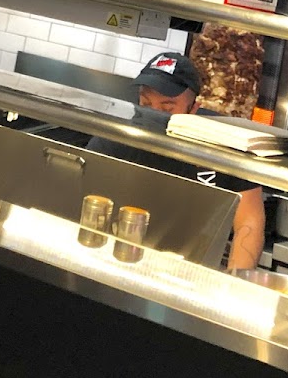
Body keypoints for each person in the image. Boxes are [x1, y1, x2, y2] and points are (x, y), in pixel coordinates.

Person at [87, 51, 266, 271]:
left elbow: (249, 221)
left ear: (193, 109)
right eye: (146, 104)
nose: (154, 114)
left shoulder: (222, 142)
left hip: (192, 268)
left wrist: (235, 282)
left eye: (167, 108)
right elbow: (84, 196)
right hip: (118, 259)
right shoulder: (118, 137)